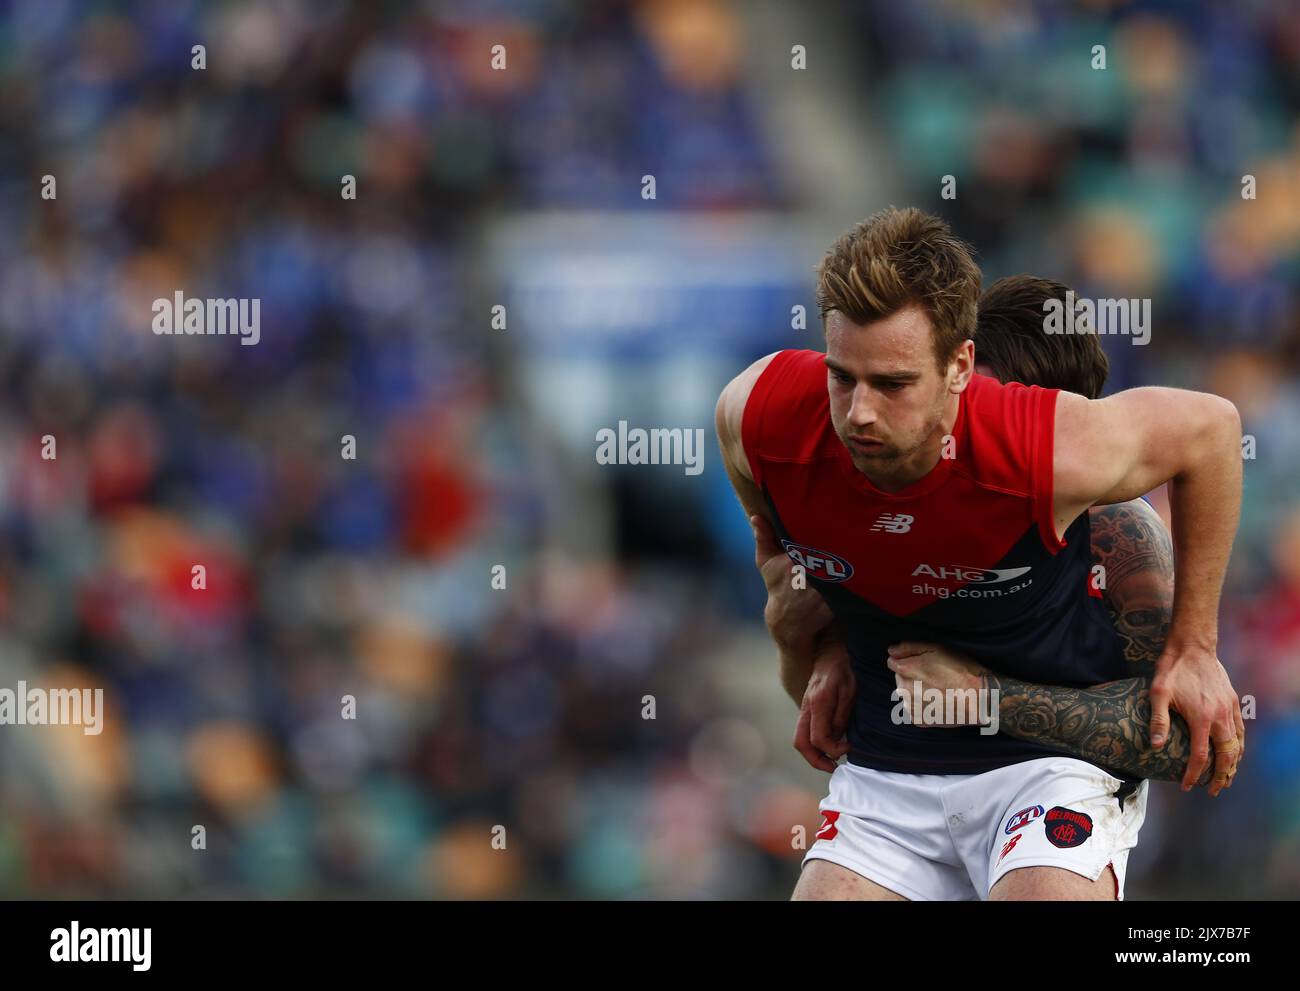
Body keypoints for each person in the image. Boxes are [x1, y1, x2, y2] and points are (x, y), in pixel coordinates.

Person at [714, 209, 1245, 900]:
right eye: (842, 377)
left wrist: (1196, 646)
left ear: (959, 371)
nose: (860, 413)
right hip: (889, 776)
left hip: (1046, 772)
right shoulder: (758, 418)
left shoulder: (1078, 489)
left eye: (895, 384)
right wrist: (818, 644)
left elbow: (1211, 429)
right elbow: (811, 680)